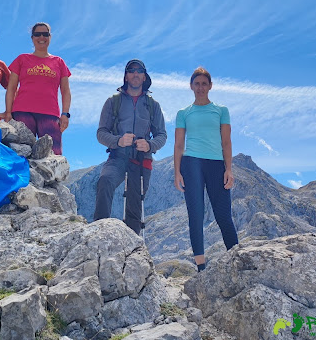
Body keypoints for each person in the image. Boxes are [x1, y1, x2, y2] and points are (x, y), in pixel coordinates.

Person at [174, 66, 238, 272]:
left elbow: (226, 142)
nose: (200, 87)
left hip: (216, 164)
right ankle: (201, 267)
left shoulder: (221, 111)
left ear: (210, 86)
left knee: (223, 215)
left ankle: (236, 259)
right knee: (196, 214)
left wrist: (229, 169)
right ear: (191, 86)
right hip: (191, 163)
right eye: (197, 84)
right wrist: (177, 172)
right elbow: (178, 145)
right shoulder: (184, 113)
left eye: (204, 84)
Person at [93, 59, 167, 235]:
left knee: (135, 204)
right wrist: (118, 141)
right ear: (126, 76)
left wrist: (149, 145)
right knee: (105, 181)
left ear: (144, 77)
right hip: (117, 157)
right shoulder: (113, 102)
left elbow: (162, 136)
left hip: (142, 160)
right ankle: (98, 233)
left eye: (139, 70)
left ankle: (132, 245)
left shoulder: (152, 105)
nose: (135, 73)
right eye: (132, 70)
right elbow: (101, 133)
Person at [3, 22, 71, 155]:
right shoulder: (22, 59)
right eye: (37, 34)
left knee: (53, 154)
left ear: (50, 37)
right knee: (21, 153)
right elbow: (11, 88)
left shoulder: (59, 62)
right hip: (22, 112)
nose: (41, 37)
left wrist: (65, 114)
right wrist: (8, 112)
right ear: (32, 38)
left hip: (50, 114)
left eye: (45, 34)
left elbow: (65, 91)